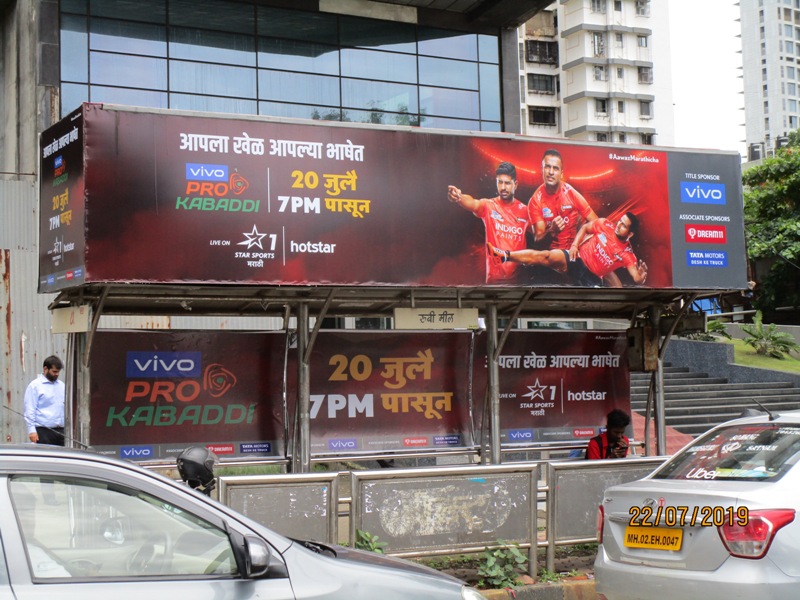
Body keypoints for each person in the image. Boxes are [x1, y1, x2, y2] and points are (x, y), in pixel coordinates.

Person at [489, 212, 648, 287]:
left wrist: (641, 278)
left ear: (630, 233)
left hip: (590, 278)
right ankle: (504, 255)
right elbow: (585, 228)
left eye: (623, 226)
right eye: (619, 222)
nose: (618, 226)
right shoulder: (605, 224)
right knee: (546, 256)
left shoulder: (627, 253)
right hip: (576, 259)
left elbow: (635, 277)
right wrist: (574, 246)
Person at [447, 162, 530, 283]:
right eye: (499, 182)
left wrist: (553, 226)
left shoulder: (525, 211)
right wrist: (459, 197)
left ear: (515, 184)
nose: (503, 187)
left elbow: (541, 231)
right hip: (494, 282)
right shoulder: (489, 206)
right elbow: (473, 204)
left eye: (507, 183)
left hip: (519, 282)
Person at [528, 149, 598, 256]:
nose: (551, 172)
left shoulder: (571, 193)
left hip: (573, 256)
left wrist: (582, 245)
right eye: (547, 167)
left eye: (555, 168)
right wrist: (552, 231)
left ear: (561, 173)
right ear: (542, 169)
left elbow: (597, 223)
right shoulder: (535, 201)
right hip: (549, 259)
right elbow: (538, 242)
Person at [24, 355, 66, 446]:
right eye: (54, 371)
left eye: (58, 372)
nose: (56, 374)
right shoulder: (35, 386)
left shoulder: (62, 386)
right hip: (43, 431)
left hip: (61, 431)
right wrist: (32, 431)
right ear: (45, 369)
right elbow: (30, 410)